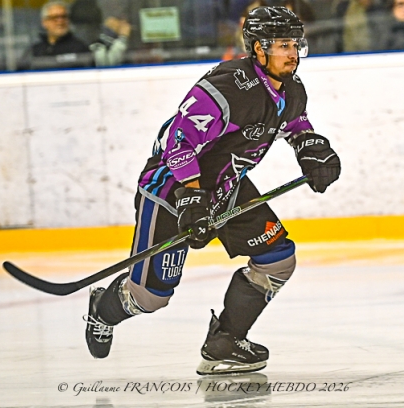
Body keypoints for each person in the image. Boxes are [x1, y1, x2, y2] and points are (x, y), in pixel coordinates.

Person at [83, 6, 341, 375]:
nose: (292, 53)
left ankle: (224, 342)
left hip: (226, 186)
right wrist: (190, 197)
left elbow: (294, 122)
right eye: (282, 45)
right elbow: (177, 142)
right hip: (174, 188)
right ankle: (102, 308)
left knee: (278, 259)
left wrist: (311, 148)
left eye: (295, 44)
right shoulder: (227, 87)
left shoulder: (292, 87)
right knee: (150, 297)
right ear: (257, 48)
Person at [20, 1, 93, 69]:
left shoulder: (80, 48)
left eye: (63, 17)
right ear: (44, 22)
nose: (60, 21)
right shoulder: (35, 51)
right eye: (54, 18)